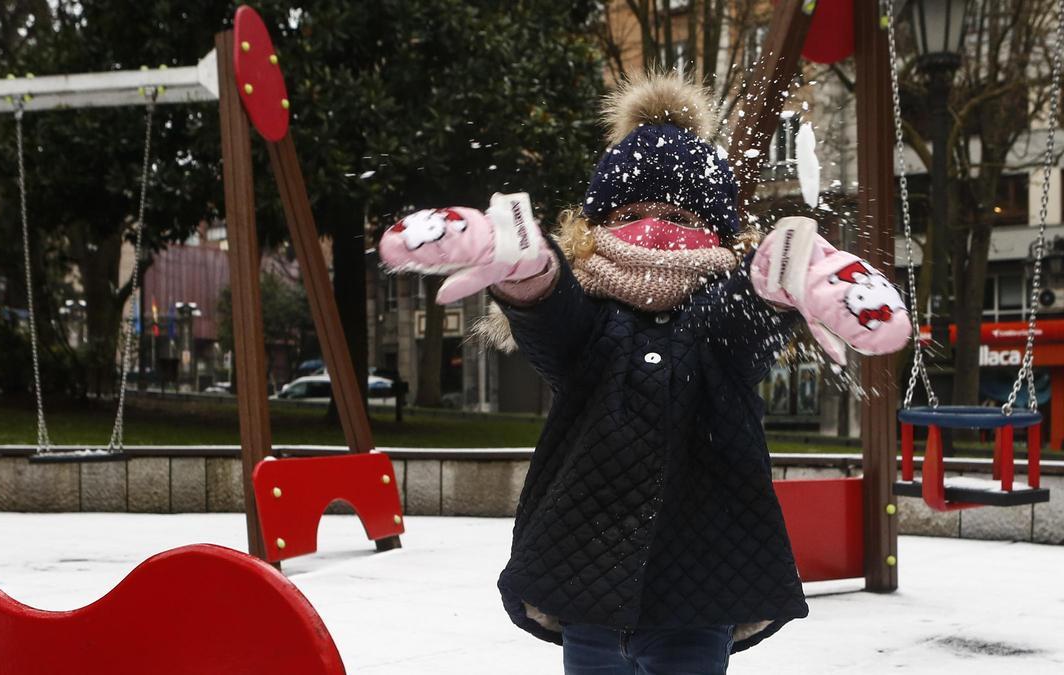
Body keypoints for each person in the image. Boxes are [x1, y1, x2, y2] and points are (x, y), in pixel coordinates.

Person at [379, 72, 910, 675]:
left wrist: (782, 283)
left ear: (715, 229)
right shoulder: (589, 318)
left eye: (678, 212)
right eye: (632, 211)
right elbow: (554, 321)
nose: (654, 228)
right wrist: (526, 270)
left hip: (698, 594)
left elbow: (744, 326)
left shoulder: (721, 315)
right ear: (598, 225)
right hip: (591, 593)